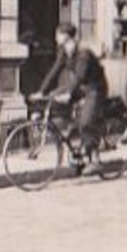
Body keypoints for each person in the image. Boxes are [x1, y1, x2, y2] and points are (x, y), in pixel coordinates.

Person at [36, 22, 108, 172]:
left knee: (86, 122)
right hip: (80, 86)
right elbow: (55, 70)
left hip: (94, 88)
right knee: (53, 96)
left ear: (70, 38)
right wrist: (42, 91)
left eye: (60, 36)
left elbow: (80, 77)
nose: (57, 39)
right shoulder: (64, 52)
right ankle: (71, 129)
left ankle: (95, 160)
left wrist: (69, 94)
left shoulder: (83, 54)